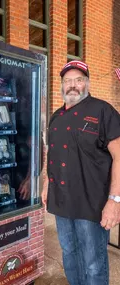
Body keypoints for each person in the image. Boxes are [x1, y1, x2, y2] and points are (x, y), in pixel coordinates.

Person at [42, 60, 120, 285]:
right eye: (68, 81)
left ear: (87, 83)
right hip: (62, 202)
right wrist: (47, 183)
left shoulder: (103, 110)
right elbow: (52, 153)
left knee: (93, 263)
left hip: (92, 203)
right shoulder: (56, 117)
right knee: (69, 255)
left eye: (78, 80)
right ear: (62, 85)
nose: (73, 85)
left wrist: (115, 200)